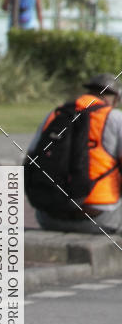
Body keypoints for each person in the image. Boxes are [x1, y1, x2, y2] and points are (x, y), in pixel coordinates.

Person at [27, 73, 122, 235]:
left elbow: (31, 158)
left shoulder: (55, 115)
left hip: (48, 218)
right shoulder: (114, 118)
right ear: (115, 98)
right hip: (99, 220)